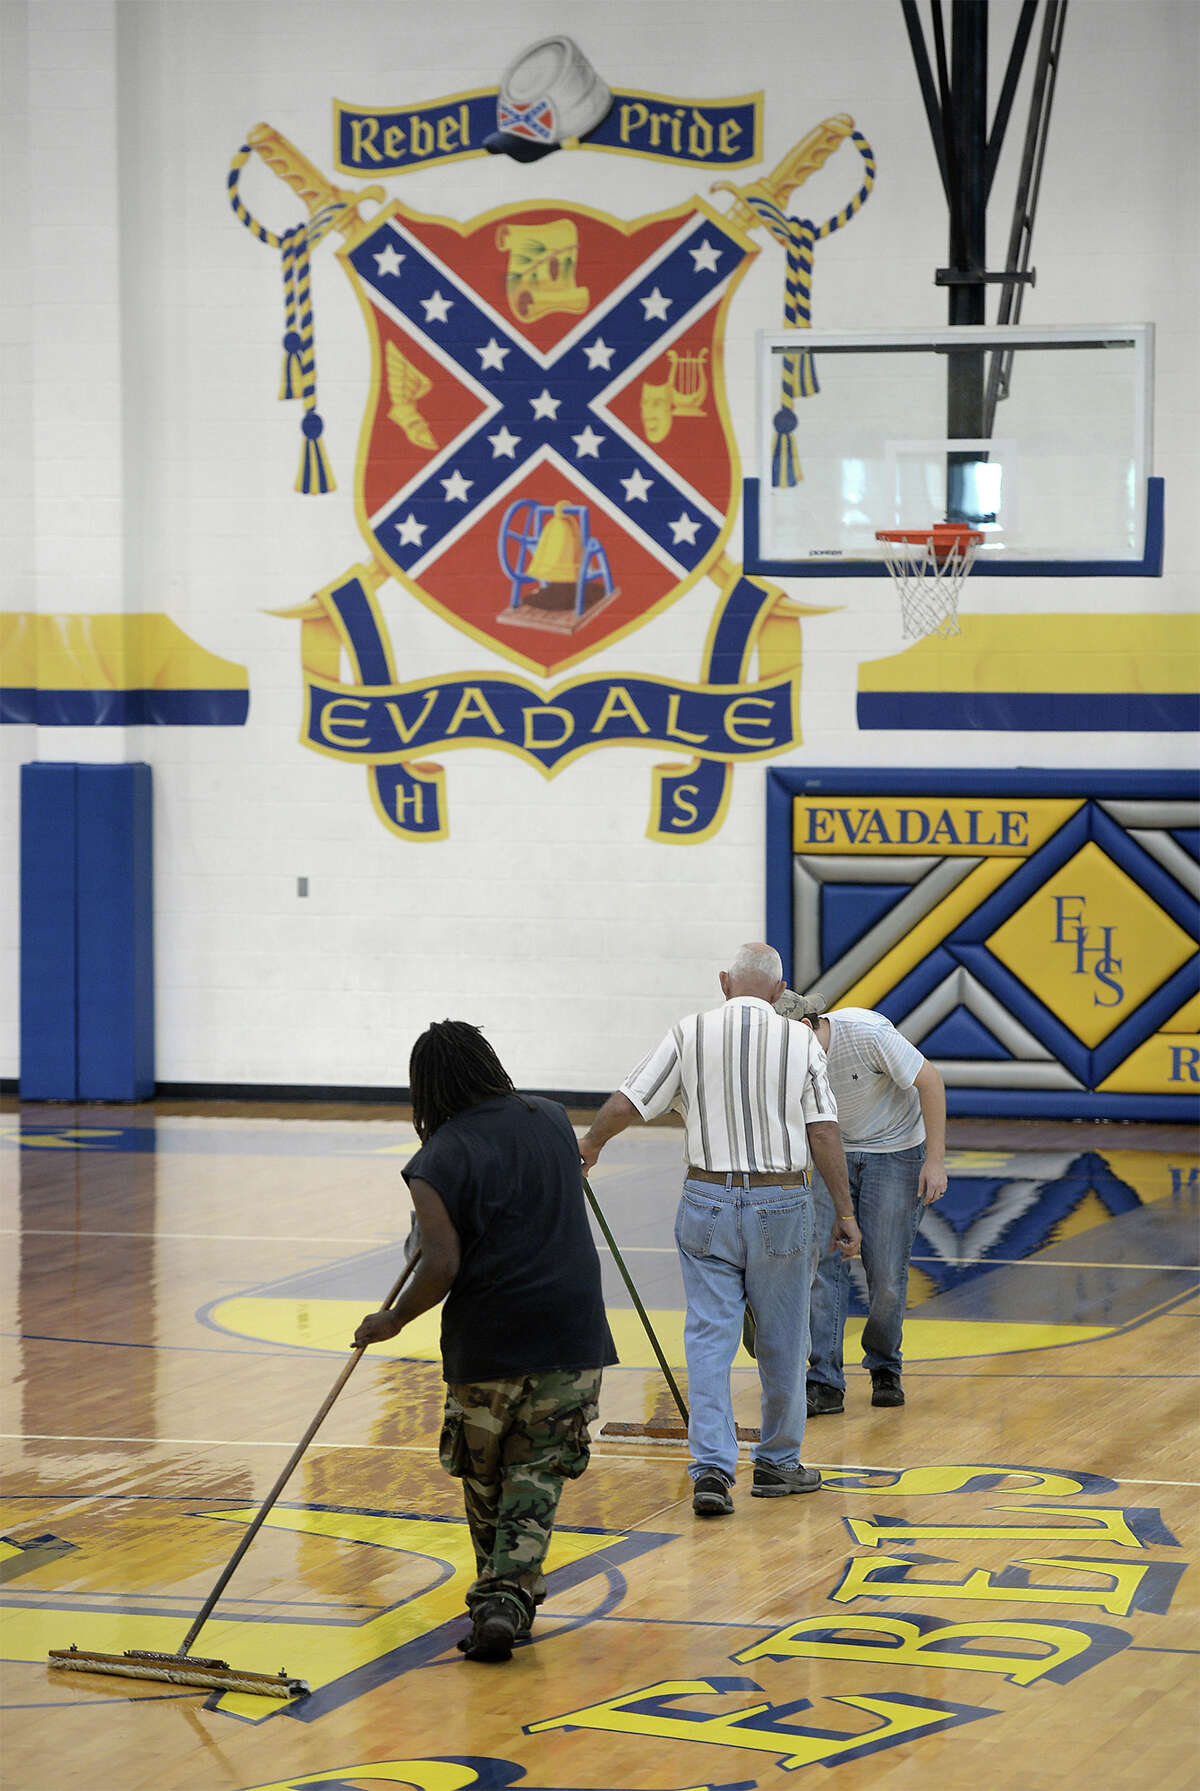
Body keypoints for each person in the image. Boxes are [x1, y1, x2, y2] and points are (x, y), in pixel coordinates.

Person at [353, 1020, 617, 1664]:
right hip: (572, 1332)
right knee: (537, 1475)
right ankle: (505, 1599)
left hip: (489, 1340)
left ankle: (500, 1598)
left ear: (426, 1087)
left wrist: (392, 1321)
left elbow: (440, 1265)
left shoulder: (435, 1159)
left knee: (485, 1475)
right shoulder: (553, 1118)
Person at [579, 943, 860, 1518]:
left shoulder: (689, 1032)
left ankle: (711, 1469)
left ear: (725, 982)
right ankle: (779, 1464)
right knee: (784, 1337)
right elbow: (824, 1132)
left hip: (705, 1198)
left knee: (709, 1338)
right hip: (781, 1201)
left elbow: (632, 1099)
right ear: (781, 994)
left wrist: (589, 1144)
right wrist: (846, 1213)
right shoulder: (800, 1039)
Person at [775, 992, 947, 1414]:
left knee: (885, 1273)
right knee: (822, 1266)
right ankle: (825, 1380)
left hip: (896, 1153)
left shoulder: (867, 1033)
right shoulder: (786, 1057)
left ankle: (885, 1365)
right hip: (834, 1152)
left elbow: (931, 1081)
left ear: (808, 1024)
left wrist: (936, 1161)